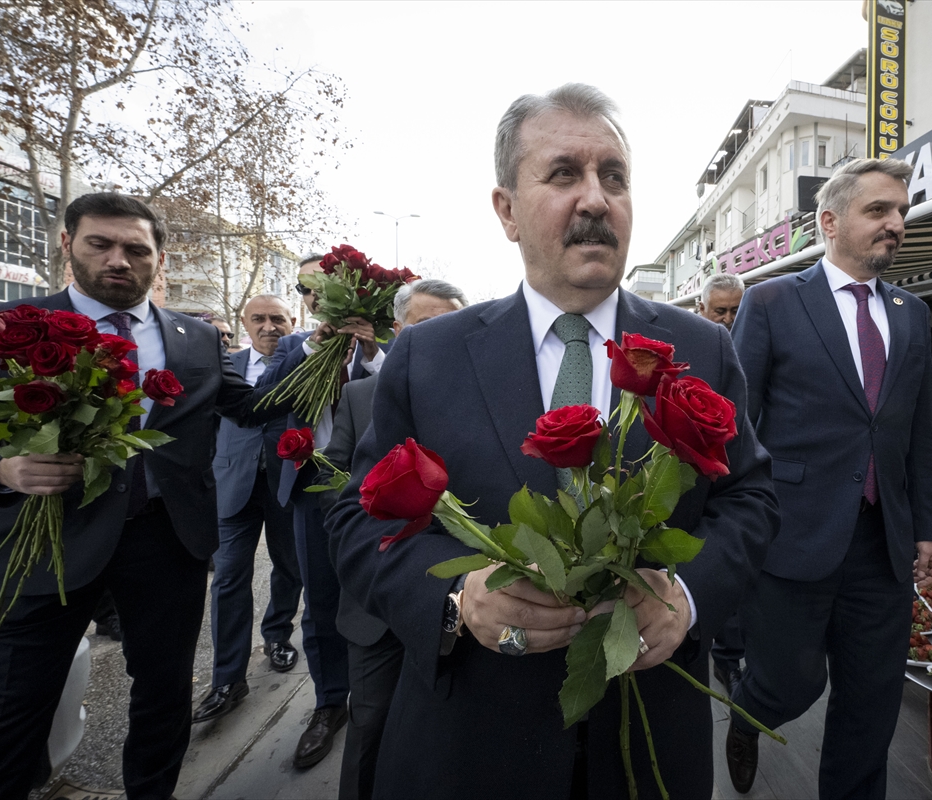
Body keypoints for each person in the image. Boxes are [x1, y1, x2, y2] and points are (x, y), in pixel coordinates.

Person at [326, 83, 778, 800]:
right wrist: (458, 600)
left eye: (614, 177)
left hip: (646, 739)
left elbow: (751, 496)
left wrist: (687, 597)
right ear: (506, 209)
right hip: (471, 745)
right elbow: (357, 519)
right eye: (564, 174)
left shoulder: (701, 350)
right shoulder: (429, 356)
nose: (595, 199)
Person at [0, 192, 292, 799]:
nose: (118, 259)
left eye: (136, 248)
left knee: (163, 695)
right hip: (46, 544)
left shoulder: (197, 339)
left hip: (167, 542)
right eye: (100, 244)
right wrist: (4, 471)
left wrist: (331, 353)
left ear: (159, 258)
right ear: (67, 244)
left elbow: (256, 408)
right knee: (13, 709)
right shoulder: (11, 329)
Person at [725, 158, 932, 799]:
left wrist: (928, 526)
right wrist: (736, 521)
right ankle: (748, 712)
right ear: (830, 221)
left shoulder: (912, 313)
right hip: (793, 533)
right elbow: (737, 425)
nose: (896, 224)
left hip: (884, 543)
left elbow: (916, 432)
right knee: (791, 683)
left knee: (872, 703)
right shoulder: (771, 302)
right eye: (879, 210)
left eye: (901, 211)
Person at [316, 278, 468, 800]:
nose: (437, 339)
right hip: (377, 610)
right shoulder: (361, 397)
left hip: (464, 602)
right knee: (372, 726)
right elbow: (336, 492)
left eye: (451, 326)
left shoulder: (481, 400)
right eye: (425, 327)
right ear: (398, 331)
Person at [255, 254, 390, 769]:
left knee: (374, 596)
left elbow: (403, 394)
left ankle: (376, 697)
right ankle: (330, 704)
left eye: (326, 286)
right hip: (313, 491)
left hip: (380, 491)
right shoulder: (292, 345)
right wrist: (314, 346)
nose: (316, 298)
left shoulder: (386, 346)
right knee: (321, 600)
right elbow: (260, 404)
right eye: (307, 290)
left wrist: (373, 351)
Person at [192, 294, 304, 724]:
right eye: (258, 319)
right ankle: (227, 678)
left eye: (277, 318)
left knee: (288, 566)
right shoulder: (225, 366)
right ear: (245, 323)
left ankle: (277, 636)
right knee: (228, 578)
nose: (269, 326)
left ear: (292, 320)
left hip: (286, 483)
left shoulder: (307, 362)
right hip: (232, 486)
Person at [697, 273, 747, 698]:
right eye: (721, 311)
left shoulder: (755, 343)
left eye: (736, 310)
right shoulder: (696, 350)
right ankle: (722, 657)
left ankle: (731, 658)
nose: (729, 319)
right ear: (702, 309)